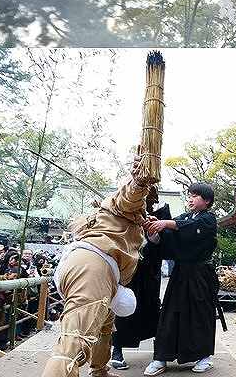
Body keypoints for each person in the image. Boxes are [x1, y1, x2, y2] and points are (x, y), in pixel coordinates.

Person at [43, 158, 153, 377]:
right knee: (73, 343)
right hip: (92, 269)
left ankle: (99, 370)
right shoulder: (123, 200)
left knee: (105, 324)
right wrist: (139, 183)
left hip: (92, 266)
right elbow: (130, 196)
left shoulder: (118, 214)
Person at [143, 183, 219, 376]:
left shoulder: (208, 219)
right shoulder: (184, 217)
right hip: (180, 274)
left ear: (207, 201)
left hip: (201, 274)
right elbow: (168, 237)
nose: (190, 199)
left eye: (195, 196)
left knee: (200, 315)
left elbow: (189, 228)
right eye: (189, 196)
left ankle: (204, 357)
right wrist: (154, 230)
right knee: (169, 314)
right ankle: (161, 357)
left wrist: (165, 223)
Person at [109, 189, 170, 371]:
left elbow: (165, 245)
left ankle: (159, 352)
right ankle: (116, 350)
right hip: (128, 271)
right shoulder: (121, 214)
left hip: (149, 272)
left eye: (149, 198)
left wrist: (153, 234)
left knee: (152, 309)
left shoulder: (159, 217)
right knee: (122, 307)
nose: (146, 201)